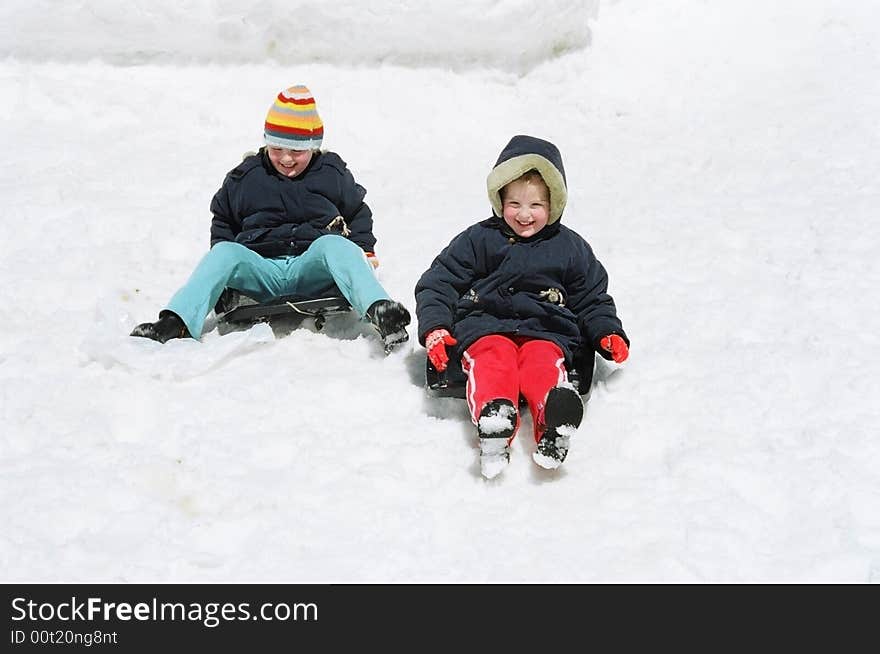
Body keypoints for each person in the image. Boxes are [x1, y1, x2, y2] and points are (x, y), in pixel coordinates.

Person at [131, 84, 410, 350]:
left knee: (336, 245)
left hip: (311, 267)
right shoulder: (246, 177)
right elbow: (224, 219)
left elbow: (357, 212)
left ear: (313, 146)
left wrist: (365, 251)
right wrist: (226, 272)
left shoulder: (331, 174)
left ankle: (380, 311)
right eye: (277, 149)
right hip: (262, 268)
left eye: (297, 151)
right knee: (224, 252)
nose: (286, 159)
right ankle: (175, 322)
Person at [415, 135, 629, 479]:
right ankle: (495, 419)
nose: (524, 215)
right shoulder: (478, 239)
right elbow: (439, 282)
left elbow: (591, 296)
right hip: (485, 326)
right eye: (514, 203)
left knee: (543, 364)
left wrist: (606, 331)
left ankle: (554, 423)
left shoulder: (570, 248)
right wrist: (436, 327)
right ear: (499, 199)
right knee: (493, 360)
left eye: (536, 206)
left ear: (554, 203)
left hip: (545, 330)